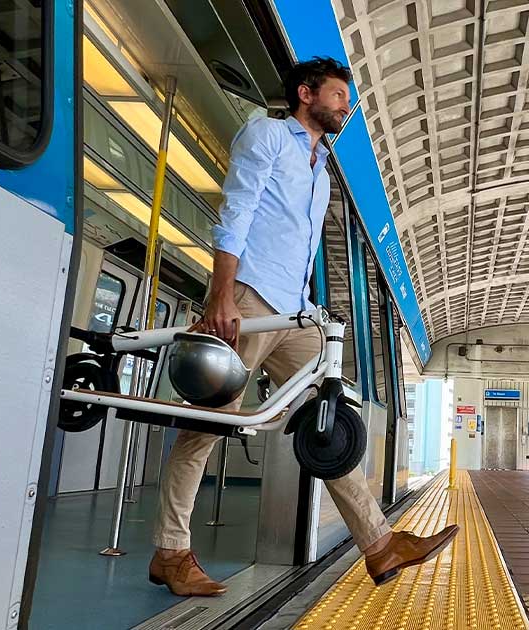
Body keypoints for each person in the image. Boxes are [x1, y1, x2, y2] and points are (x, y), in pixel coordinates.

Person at [148, 57, 459, 597]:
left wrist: (311, 305)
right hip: (247, 298)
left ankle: (380, 546)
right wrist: (222, 295)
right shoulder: (267, 135)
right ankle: (170, 553)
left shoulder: (321, 169)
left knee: (330, 421)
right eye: (338, 96)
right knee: (206, 427)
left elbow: (301, 248)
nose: (346, 107)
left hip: (292, 311)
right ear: (305, 93)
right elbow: (237, 213)